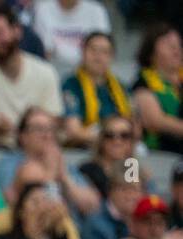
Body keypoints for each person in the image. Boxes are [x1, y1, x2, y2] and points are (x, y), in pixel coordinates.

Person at [0, 5, 62, 151]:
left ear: (17, 31)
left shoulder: (45, 72)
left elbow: (53, 119)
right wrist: (0, 128)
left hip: (37, 149)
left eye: (0, 32)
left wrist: (16, 130)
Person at [61, 32, 132, 149]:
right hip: (85, 147)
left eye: (104, 52)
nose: (98, 57)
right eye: (93, 50)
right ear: (83, 52)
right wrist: (109, 138)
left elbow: (134, 127)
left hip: (119, 145)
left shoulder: (121, 87)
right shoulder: (70, 85)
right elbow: (73, 130)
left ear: (112, 57)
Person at [132, 24, 183, 155]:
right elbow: (154, 121)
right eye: (169, 45)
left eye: (178, 44)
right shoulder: (143, 82)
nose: (176, 49)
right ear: (151, 52)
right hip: (162, 153)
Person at [30, 0, 110, 76]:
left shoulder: (96, 11)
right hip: (53, 72)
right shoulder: (43, 9)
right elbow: (44, 52)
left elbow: (102, 48)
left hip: (88, 73)